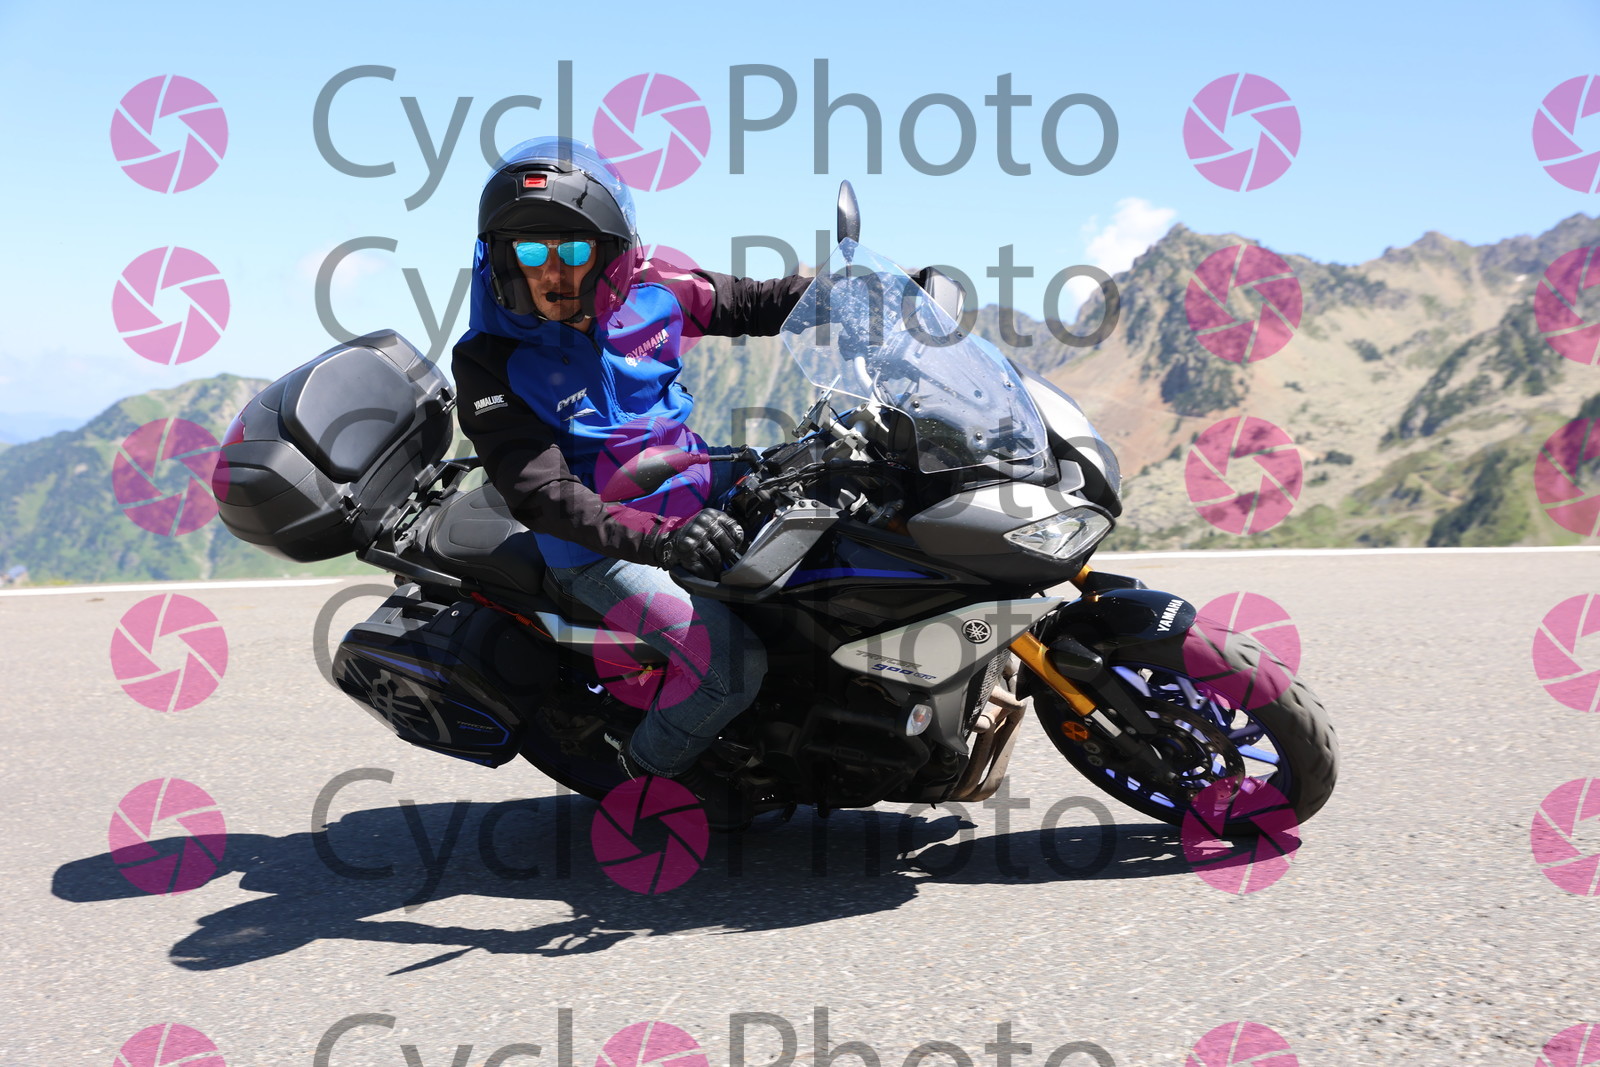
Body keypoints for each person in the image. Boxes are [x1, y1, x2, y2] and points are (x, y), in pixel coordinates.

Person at [451, 137, 808, 831]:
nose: (551, 273)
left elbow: (756, 302)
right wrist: (664, 540)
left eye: (572, 250)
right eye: (530, 252)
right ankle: (644, 772)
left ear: (611, 253)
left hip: (695, 484)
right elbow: (543, 496)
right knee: (731, 665)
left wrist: (875, 296)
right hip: (594, 547)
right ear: (501, 257)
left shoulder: (657, 290)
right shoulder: (490, 361)